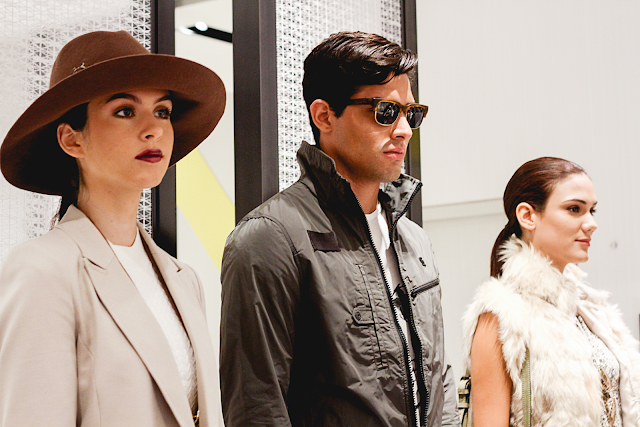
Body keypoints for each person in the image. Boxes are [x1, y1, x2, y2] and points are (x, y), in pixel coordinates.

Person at [220, 31, 459, 427]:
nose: (404, 130)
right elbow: (257, 406)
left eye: (411, 114)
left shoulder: (414, 240)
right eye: (385, 111)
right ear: (324, 116)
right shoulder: (270, 238)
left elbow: (438, 376)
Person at [0, 30, 225, 426]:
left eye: (163, 112)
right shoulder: (42, 271)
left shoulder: (183, 278)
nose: (153, 129)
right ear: (72, 139)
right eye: (124, 111)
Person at [462, 157, 640, 427]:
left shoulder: (590, 308)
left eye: (592, 210)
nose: (591, 223)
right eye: (574, 209)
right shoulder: (501, 314)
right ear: (527, 216)